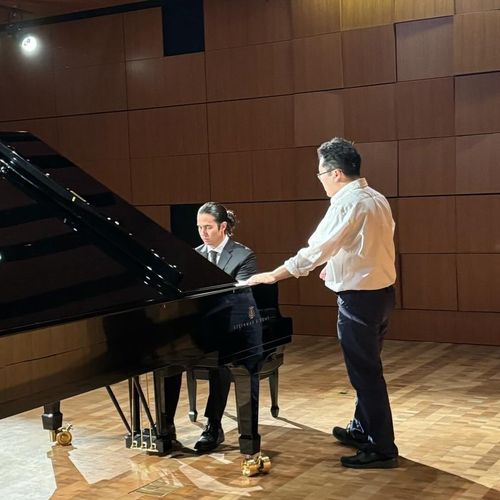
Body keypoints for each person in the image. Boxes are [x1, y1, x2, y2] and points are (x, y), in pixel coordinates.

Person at [248, 137, 398, 469]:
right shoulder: (376, 198)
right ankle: (362, 428)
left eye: (320, 174)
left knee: (365, 374)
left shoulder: (346, 203)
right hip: (382, 296)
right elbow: (368, 245)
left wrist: (275, 275)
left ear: (335, 173)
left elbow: (316, 250)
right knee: (368, 367)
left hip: (359, 302)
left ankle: (382, 447)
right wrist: (337, 265)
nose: (319, 181)